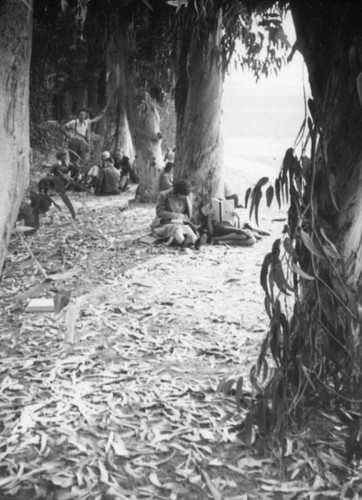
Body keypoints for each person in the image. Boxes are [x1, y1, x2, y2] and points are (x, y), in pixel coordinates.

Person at [152, 179, 201, 249]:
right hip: (164, 222)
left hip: (181, 222)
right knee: (176, 228)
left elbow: (187, 212)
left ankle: (196, 242)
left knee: (187, 227)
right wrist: (177, 216)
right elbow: (160, 212)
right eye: (183, 195)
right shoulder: (164, 195)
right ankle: (183, 242)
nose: (184, 197)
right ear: (178, 192)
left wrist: (185, 218)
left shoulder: (188, 195)